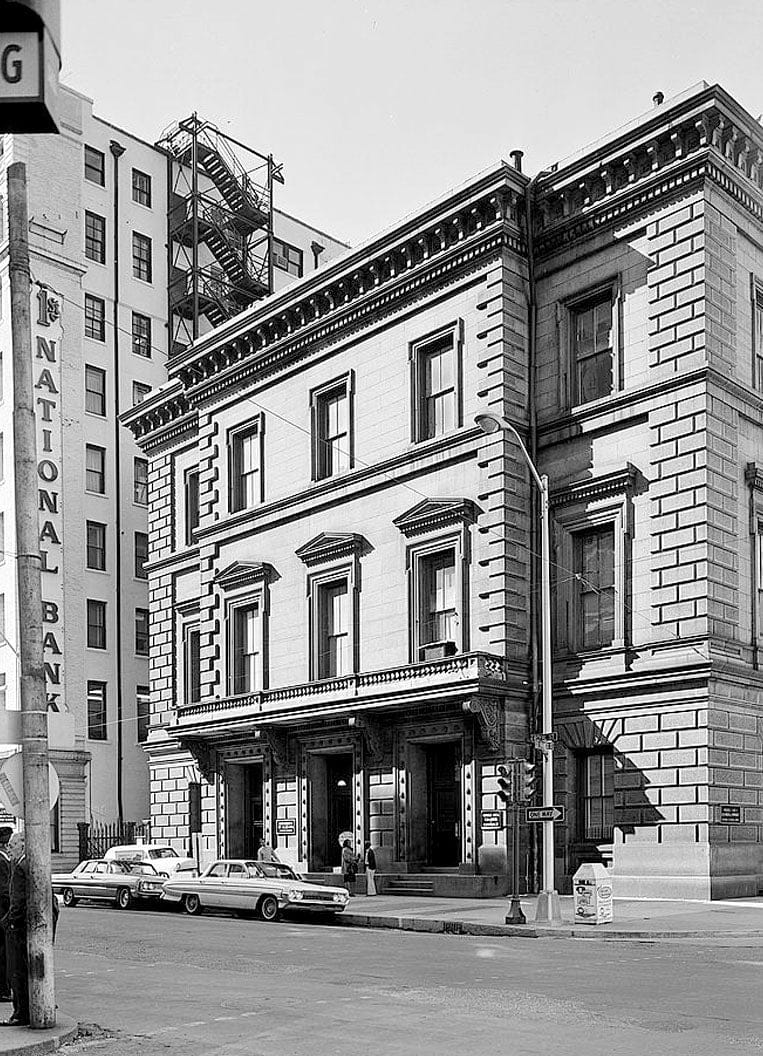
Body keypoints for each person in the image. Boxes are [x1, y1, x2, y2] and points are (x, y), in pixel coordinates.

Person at [0, 828, 14, 1003]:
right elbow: (5, 890)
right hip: (3, 913)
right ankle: (3, 990)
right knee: (4, 953)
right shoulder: (2, 862)